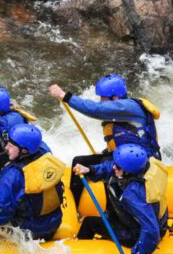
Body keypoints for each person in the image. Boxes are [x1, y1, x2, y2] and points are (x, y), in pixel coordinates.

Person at [48, 74, 161, 206]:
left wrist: (64, 96)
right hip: (125, 154)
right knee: (78, 161)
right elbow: (125, 137)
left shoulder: (128, 107)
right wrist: (107, 150)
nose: (101, 100)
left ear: (116, 97)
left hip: (141, 160)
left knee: (104, 166)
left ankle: (108, 208)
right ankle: (74, 206)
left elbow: (96, 109)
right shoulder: (121, 108)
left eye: (103, 97)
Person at [0, 123, 65, 242]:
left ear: (24, 151)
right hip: (53, 224)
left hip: (29, 234)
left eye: (11, 146)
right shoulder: (44, 152)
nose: (6, 148)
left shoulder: (12, 176)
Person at [73, 143, 169, 254]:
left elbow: (151, 230)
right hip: (150, 219)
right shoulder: (144, 166)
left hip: (137, 234)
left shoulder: (134, 195)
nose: (114, 167)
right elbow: (110, 167)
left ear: (128, 171)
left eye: (118, 166)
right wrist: (91, 170)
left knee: (89, 223)